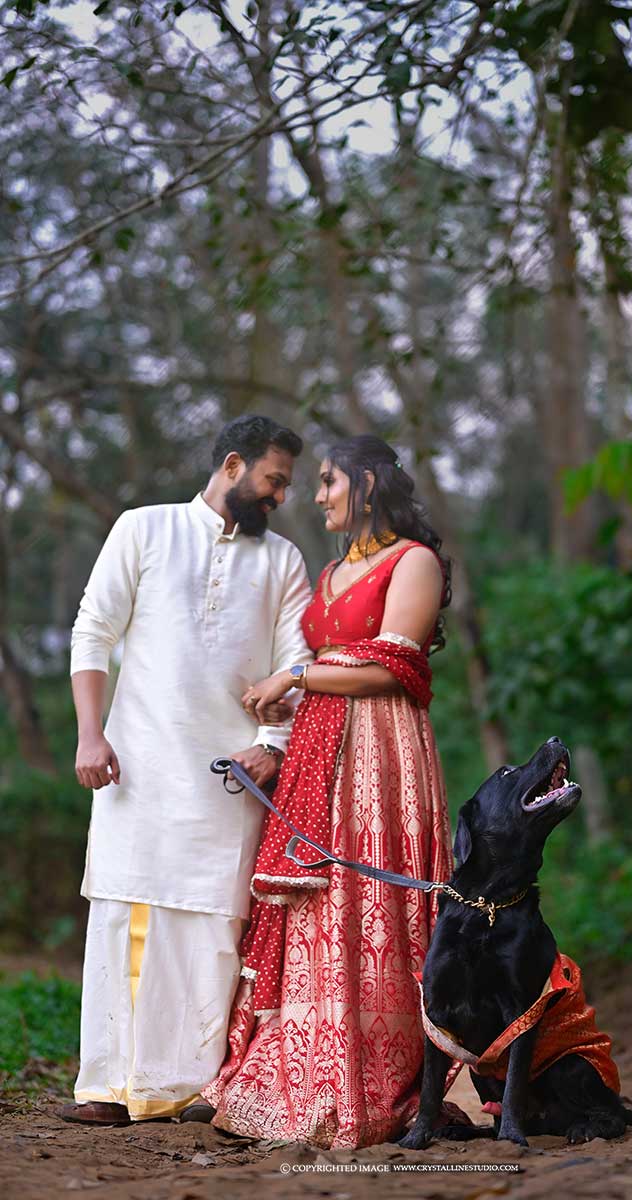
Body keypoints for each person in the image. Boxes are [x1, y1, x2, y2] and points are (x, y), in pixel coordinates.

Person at [197, 435, 454, 1148]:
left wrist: (296, 679)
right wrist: (287, 701)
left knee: (367, 902)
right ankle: (298, 1065)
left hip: (382, 753)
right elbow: (323, 659)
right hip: (319, 748)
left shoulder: (415, 562)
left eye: (328, 482)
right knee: (318, 894)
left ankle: (374, 1070)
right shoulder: (334, 569)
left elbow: (392, 667)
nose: (317, 496)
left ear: (367, 483)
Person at [58, 414, 314, 1126]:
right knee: (126, 911)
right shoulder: (143, 528)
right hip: (135, 764)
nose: (280, 496)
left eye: (287, 484)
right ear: (233, 466)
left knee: (213, 926)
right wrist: (89, 735)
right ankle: (109, 1086)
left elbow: (295, 659)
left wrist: (272, 743)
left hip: (228, 778)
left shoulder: (283, 562)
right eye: (273, 480)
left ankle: (196, 1086)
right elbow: (93, 630)